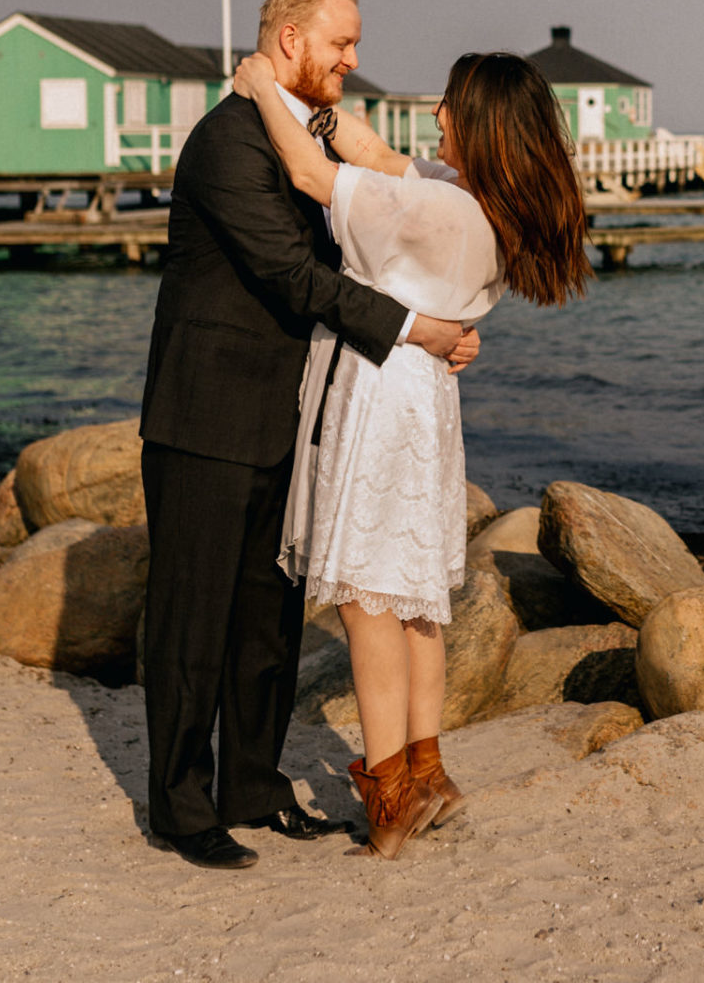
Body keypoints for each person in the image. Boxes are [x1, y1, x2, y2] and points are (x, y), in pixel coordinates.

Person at [140, 0, 480, 871]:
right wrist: (417, 330)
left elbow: (378, 240)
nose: (354, 60)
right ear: (290, 40)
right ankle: (180, 806)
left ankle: (252, 785)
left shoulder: (310, 137)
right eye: (342, 43)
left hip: (291, 415)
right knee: (192, 621)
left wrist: (440, 320)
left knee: (268, 619)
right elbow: (297, 275)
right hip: (207, 414)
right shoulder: (227, 142)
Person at [231, 45, 590, 859]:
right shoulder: (472, 198)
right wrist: (318, 112)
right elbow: (374, 156)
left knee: (366, 597)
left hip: (381, 389)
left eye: (450, 106)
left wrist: (261, 90)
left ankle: (389, 789)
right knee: (418, 594)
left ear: (483, 123)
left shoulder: (444, 209)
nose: (435, 116)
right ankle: (428, 771)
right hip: (427, 393)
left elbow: (315, 178)